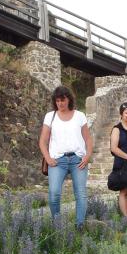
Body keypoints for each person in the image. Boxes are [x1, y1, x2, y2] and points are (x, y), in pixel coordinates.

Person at [38, 86, 94, 228]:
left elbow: (88, 139)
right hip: (58, 161)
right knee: (54, 193)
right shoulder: (50, 116)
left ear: (69, 99)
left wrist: (87, 156)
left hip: (78, 159)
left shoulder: (80, 115)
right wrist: (48, 158)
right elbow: (42, 141)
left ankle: (79, 225)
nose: (60, 104)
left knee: (80, 193)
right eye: (57, 101)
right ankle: (57, 224)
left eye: (62, 100)